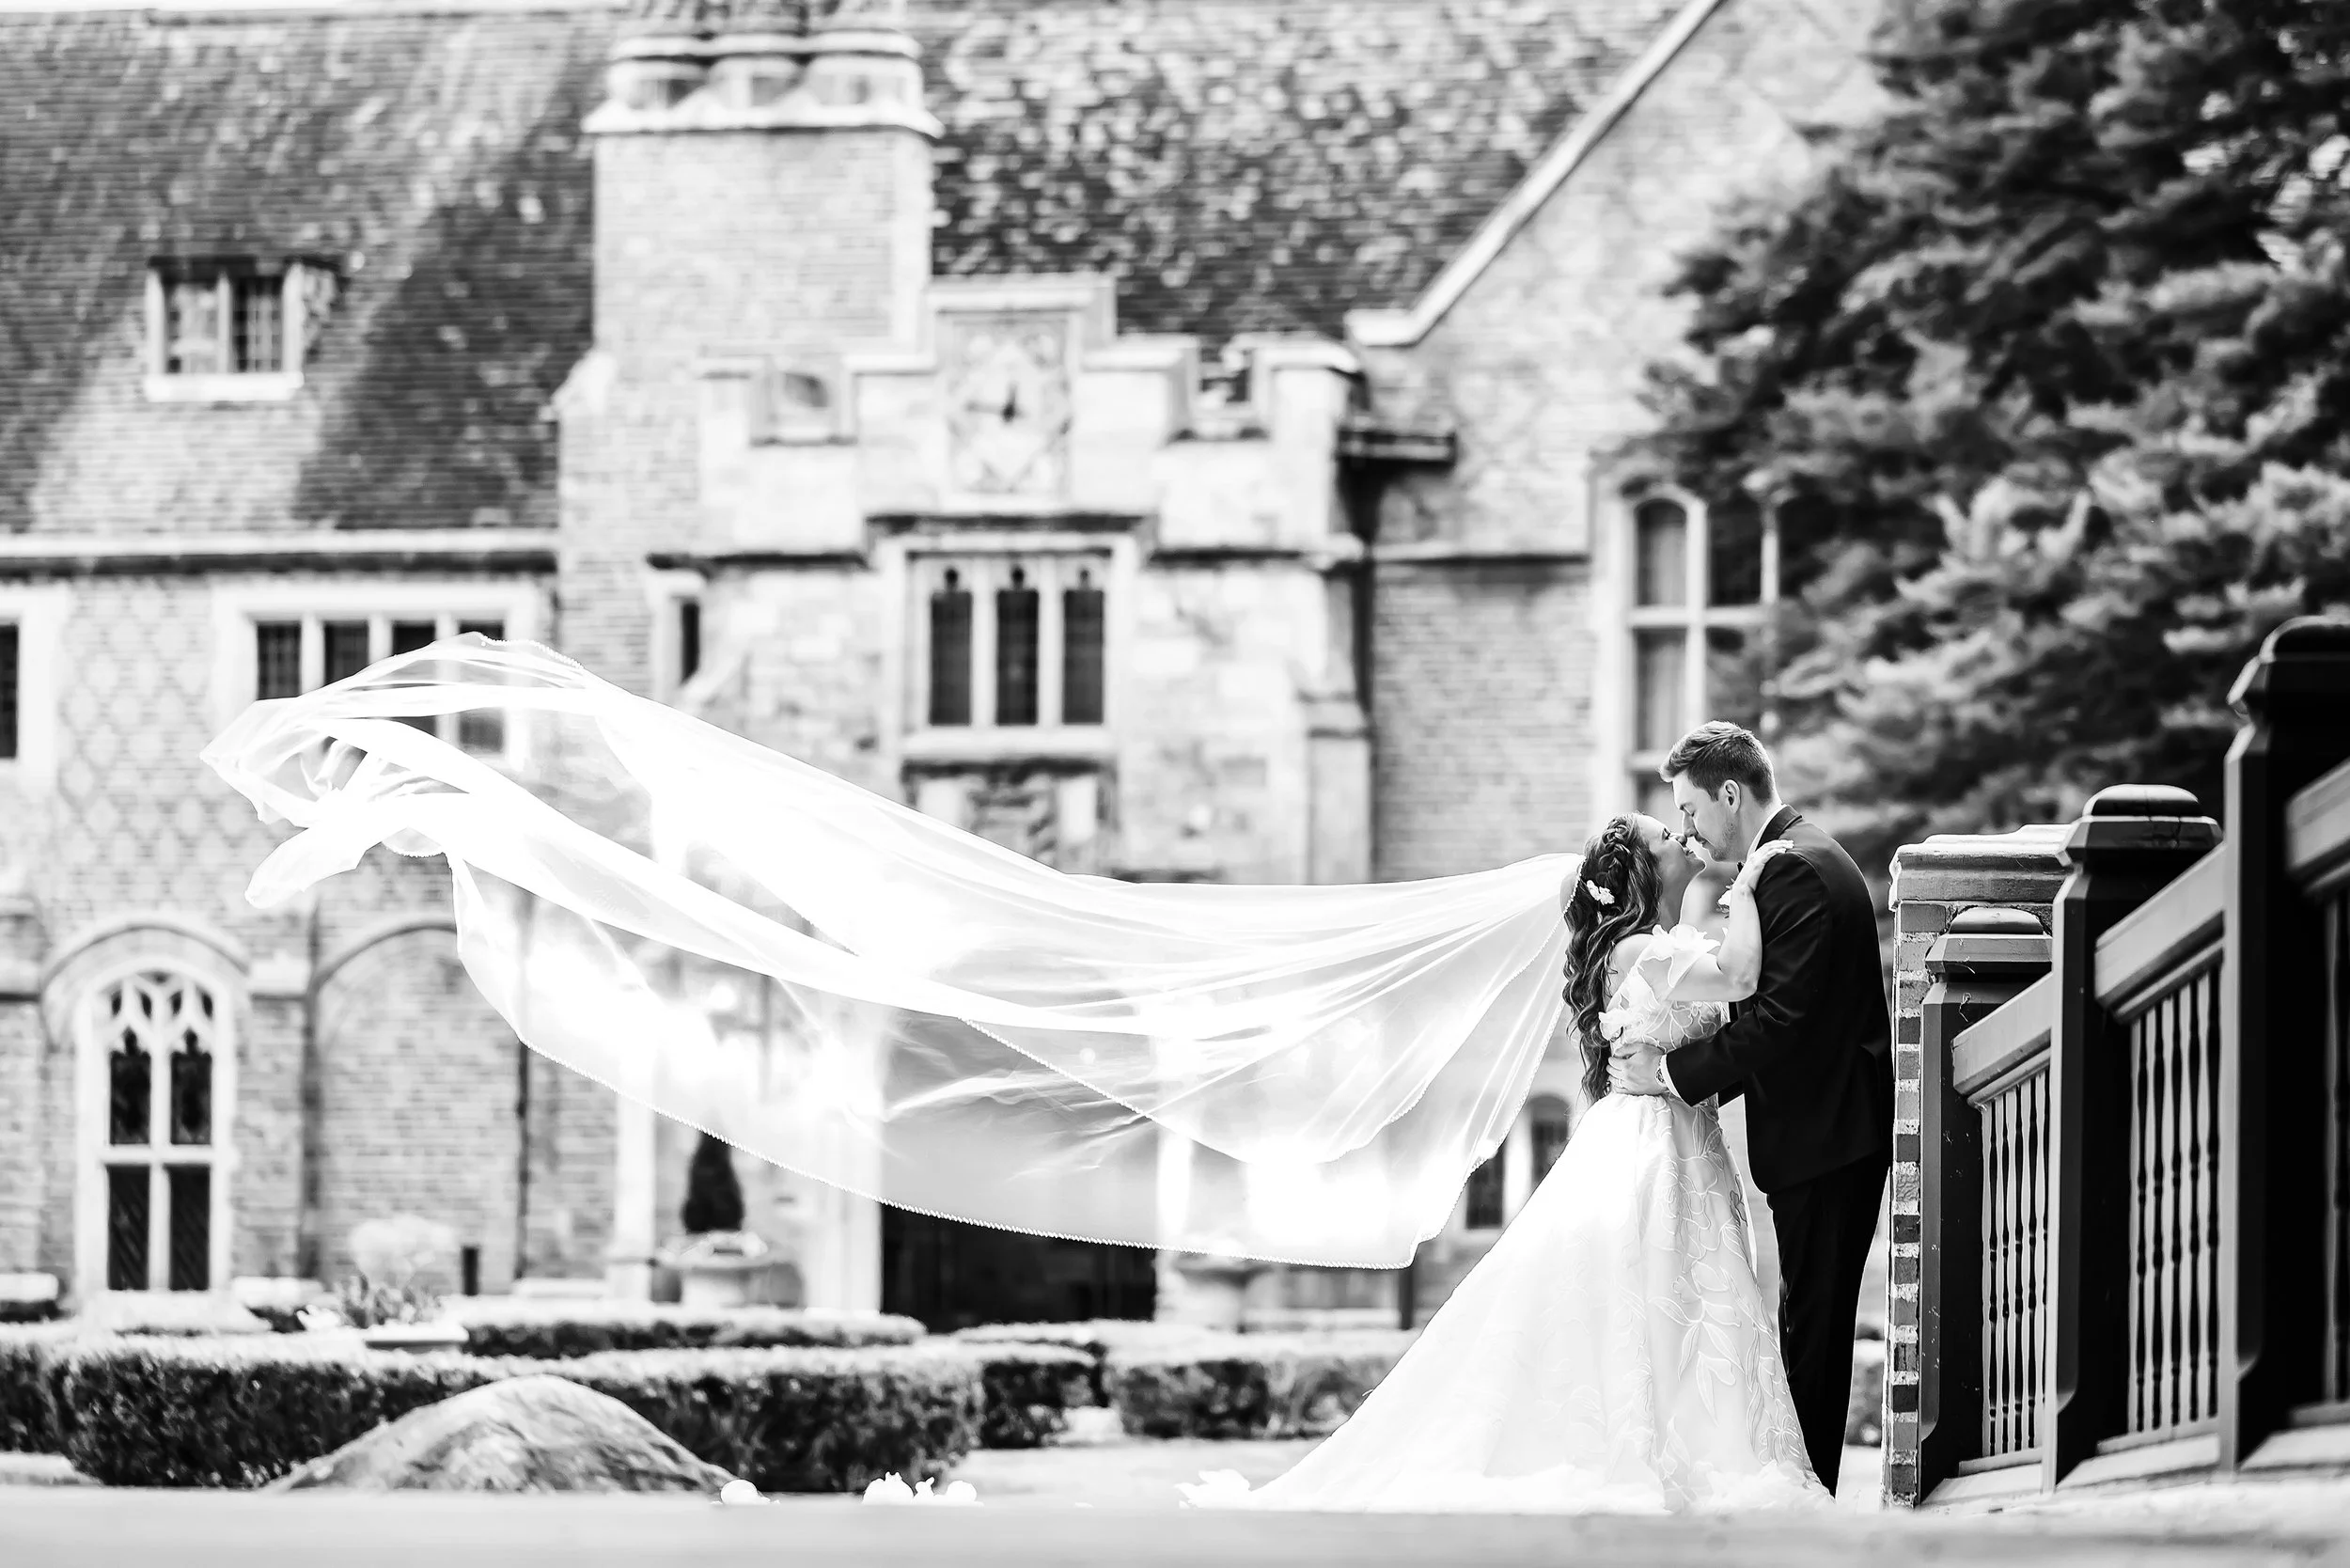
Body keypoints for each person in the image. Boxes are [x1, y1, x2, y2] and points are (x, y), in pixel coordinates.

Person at [1181, 808, 1828, 1513]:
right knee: (1637, 1297)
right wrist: (1752, 882)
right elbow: (1738, 979)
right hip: (1646, 1149)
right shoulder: (1637, 952)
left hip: (1685, 1140)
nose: (1682, 836)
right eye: (1665, 836)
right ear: (1643, 871)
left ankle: (1696, 1449)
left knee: (1681, 1303)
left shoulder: (1666, 946)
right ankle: (1638, 1448)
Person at [1607, 721, 1894, 1496]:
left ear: (1731, 793)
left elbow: (1778, 1019)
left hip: (1828, 1138)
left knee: (1816, 1331)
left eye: (1692, 810)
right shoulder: (1795, 858)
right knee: (1807, 1324)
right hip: (1825, 1132)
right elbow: (1773, 1015)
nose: (1690, 830)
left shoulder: (1791, 868)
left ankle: (1808, 1498)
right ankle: (1804, 1492)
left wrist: (1669, 1074)